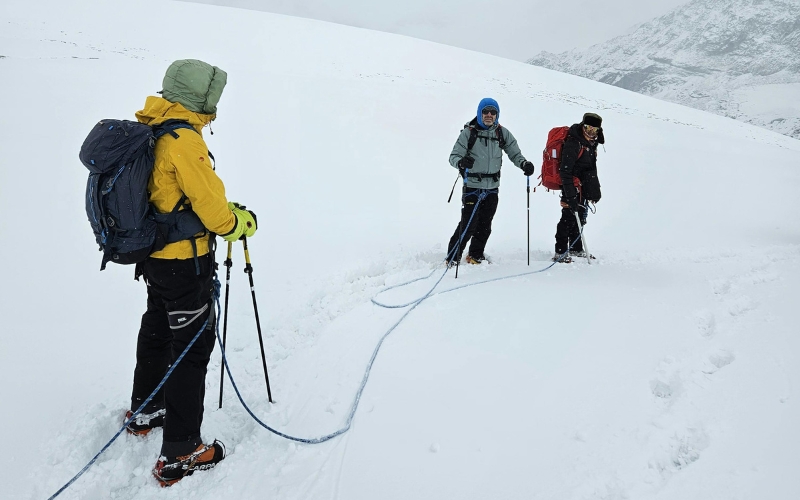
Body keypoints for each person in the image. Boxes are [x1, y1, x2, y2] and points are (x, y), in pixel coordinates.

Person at [126, 59, 258, 486]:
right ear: (200, 96)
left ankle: (145, 409)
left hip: (155, 260)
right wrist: (242, 222)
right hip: (186, 263)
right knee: (191, 348)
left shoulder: (154, 128)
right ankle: (181, 452)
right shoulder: (184, 140)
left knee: (158, 329)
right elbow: (216, 214)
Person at [446, 98, 534, 265]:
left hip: (492, 187)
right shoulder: (468, 133)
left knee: (485, 225)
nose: (489, 115)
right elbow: (453, 156)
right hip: (472, 185)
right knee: (468, 224)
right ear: (479, 113)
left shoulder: (502, 133)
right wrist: (461, 162)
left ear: (497, 114)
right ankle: (452, 257)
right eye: (485, 111)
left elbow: (514, 153)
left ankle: (475, 255)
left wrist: (524, 164)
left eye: (493, 112)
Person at [553, 112, 604, 262]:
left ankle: (575, 248)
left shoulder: (592, 143)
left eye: (595, 130)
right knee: (568, 217)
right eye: (588, 128)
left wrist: (594, 191)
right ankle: (560, 252)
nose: (591, 132)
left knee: (580, 217)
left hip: (583, 187)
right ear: (583, 126)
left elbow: (591, 168)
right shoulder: (573, 143)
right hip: (571, 186)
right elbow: (565, 171)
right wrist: (570, 195)